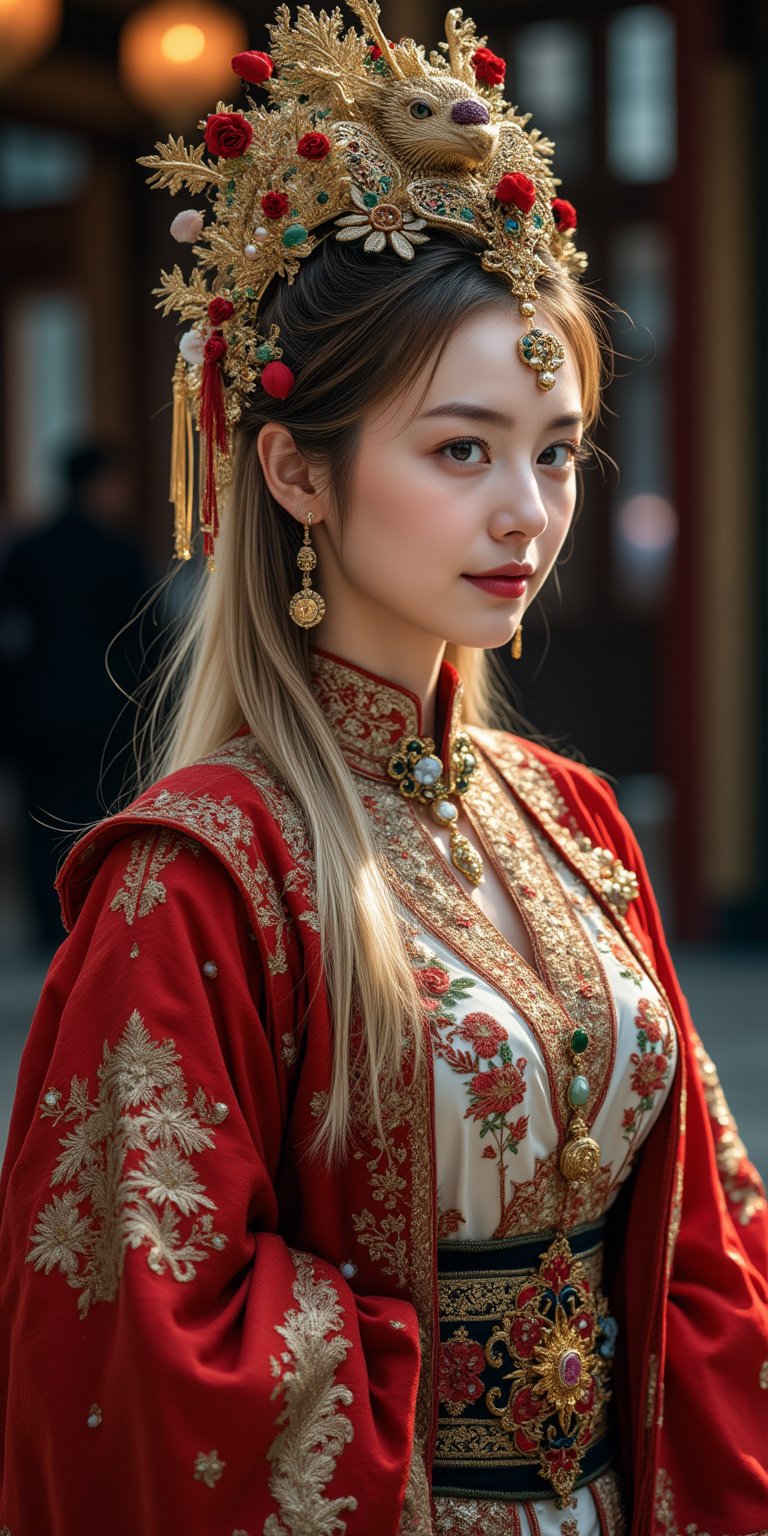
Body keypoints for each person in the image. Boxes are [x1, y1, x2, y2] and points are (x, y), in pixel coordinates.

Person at [1, 6, 767, 1534]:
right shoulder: (196, 879)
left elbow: (713, 1242)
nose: (529, 518)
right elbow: (140, 1351)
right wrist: (463, 1376)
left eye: (555, 450)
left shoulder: (570, 817)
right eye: (461, 449)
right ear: (297, 471)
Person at [0, 440, 150, 947]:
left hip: (35, 707)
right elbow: (146, 635)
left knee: (38, 814)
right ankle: (91, 918)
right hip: (105, 708)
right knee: (97, 810)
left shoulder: (29, 548)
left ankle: (47, 924)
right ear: (102, 483)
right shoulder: (119, 550)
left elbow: (11, 630)